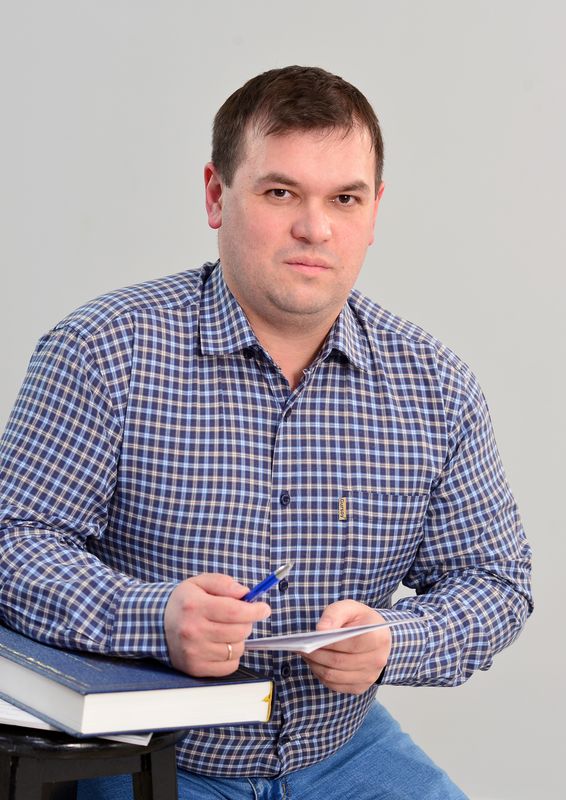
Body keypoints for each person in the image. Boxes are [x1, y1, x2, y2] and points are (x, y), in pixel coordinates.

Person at [0, 66, 532, 799]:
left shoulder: (436, 387)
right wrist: (155, 618)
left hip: (342, 751)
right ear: (216, 196)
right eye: (281, 193)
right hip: (148, 754)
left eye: (344, 199)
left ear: (375, 211)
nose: (315, 228)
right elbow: (15, 542)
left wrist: (391, 643)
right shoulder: (102, 352)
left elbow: (495, 582)